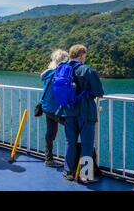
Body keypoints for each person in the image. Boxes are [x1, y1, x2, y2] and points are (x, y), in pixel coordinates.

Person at [61, 44, 104, 183]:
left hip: (68, 111)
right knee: (87, 144)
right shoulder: (87, 70)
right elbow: (98, 92)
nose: (86, 57)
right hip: (85, 112)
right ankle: (85, 175)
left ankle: (68, 171)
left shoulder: (62, 68)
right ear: (81, 55)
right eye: (85, 55)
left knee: (70, 142)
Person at [39, 49, 69, 168]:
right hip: (56, 110)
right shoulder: (61, 73)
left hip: (46, 107)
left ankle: (49, 159)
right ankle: (71, 163)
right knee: (72, 128)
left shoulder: (48, 72)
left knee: (50, 133)